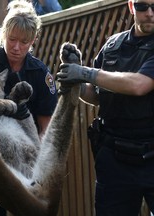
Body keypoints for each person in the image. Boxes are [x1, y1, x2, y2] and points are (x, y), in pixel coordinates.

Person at [57, 0, 154, 215]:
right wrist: (76, 85)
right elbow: (98, 95)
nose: (149, 13)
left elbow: (139, 85)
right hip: (114, 159)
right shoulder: (113, 46)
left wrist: (85, 73)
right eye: (142, 7)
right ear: (131, 7)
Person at [0, 0, 58, 215]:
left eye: (24, 42)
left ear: (34, 40)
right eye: (12, 39)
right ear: (3, 33)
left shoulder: (39, 73)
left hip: (23, 160)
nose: (17, 47)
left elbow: (46, 129)